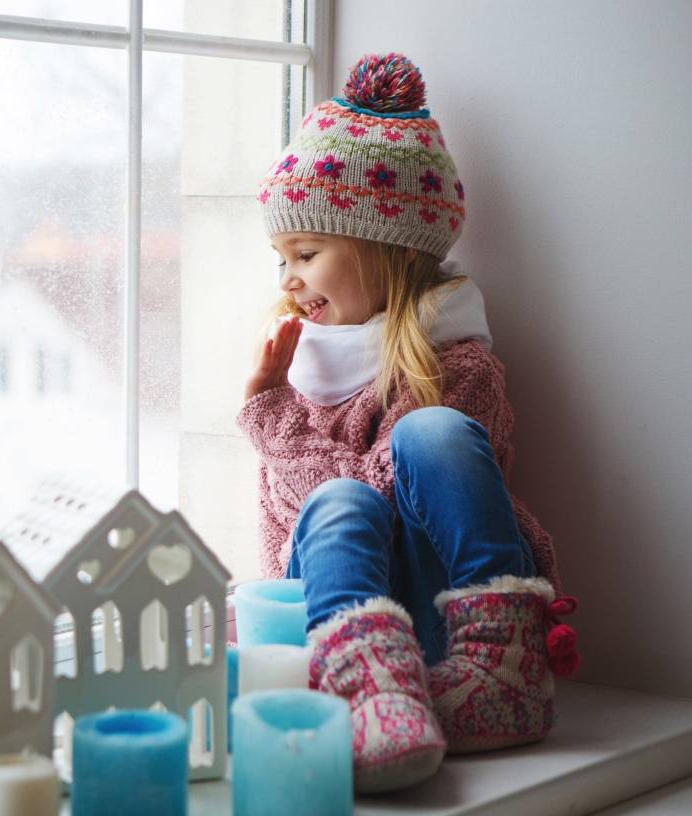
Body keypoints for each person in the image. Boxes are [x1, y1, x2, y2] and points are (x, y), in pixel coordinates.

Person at [237, 52, 581, 794]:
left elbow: (388, 487)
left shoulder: (459, 369)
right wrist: (277, 415)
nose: (288, 278)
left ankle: (506, 673)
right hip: (343, 634)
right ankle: (365, 695)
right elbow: (301, 525)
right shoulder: (295, 373)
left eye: (306, 251)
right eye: (279, 259)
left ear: (383, 249)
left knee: (428, 435)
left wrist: (279, 429)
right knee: (339, 504)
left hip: (445, 640)